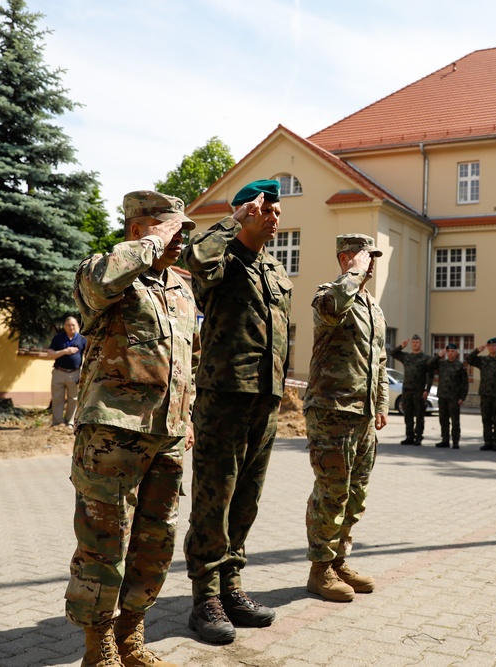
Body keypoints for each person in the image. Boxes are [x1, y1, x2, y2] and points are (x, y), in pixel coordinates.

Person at [66, 190, 199, 667]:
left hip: (168, 434)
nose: (180, 237)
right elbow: (101, 283)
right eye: (171, 227)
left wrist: (188, 420)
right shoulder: (103, 271)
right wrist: (151, 242)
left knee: (155, 540)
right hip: (113, 436)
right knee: (104, 542)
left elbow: (191, 358)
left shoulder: (181, 289)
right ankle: (97, 643)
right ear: (140, 227)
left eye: (182, 228)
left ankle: (131, 632)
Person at [182, 180, 290, 643]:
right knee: (214, 500)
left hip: (265, 399)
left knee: (246, 501)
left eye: (277, 210)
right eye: (265, 209)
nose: (274, 217)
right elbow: (195, 258)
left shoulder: (275, 268)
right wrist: (232, 219)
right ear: (247, 211)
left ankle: (231, 587)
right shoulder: (221, 261)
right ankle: (204, 598)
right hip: (223, 397)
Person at [303, 233, 388, 603]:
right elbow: (330, 308)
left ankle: (339, 561)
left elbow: (380, 360)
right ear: (346, 258)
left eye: (374, 257)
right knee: (332, 492)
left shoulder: (373, 307)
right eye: (366, 256)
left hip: (364, 414)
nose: (372, 263)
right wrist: (352, 275)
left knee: (356, 494)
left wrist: (381, 404)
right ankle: (319, 569)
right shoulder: (330, 293)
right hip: (332, 411)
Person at [465, 338, 496, 452]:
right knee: (486, 419)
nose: (492, 347)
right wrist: (477, 350)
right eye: (490, 345)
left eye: (494, 345)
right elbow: (468, 359)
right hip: (485, 394)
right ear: (487, 347)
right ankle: (487, 441)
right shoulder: (483, 360)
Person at [46, 315, 87, 429]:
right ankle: (57, 423)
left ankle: (70, 422)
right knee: (57, 398)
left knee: (73, 399)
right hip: (59, 372)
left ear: (78, 326)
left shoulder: (82, 339)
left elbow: (87, 355)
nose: (71, 327)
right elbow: (50, 354)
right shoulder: (58, 338)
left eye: (73, 325)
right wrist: (65, 351)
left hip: (75, 373)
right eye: (68, 325)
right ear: (64, 326)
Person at [390, 334, 431, 445]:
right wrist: (401, 346)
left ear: (420, 344)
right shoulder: (406, 356)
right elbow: (392, 353)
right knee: (407, 414)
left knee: (419, 415)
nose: (415, 344)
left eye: (417, 342)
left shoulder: (426, 358)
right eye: (413, 342)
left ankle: (418, 436)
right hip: (407, 389)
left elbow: (430, 375)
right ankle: (409, 436)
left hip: (419, 390)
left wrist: (427, 389)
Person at [429, 343, 468, 448]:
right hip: (442, 396)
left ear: (456, 353)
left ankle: (455, 441)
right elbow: (429, 365)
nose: (450, 354)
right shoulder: (442, 364)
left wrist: (462, 397)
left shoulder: (460, 366)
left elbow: (465, 383)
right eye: (449, 351)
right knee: (443, 419)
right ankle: (445, 440)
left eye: (452, 351)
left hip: (454, 398)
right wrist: (438, 356)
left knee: (455, 420)